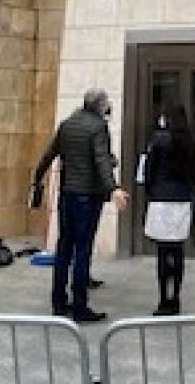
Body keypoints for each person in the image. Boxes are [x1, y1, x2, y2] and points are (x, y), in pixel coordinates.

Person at [33, 88, 128, 323]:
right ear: (100, 105)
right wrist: (113, 188)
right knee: (82, 250)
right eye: (106, 103)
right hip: (88, 196)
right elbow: (100, 161)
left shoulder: (67, 124)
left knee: (64, 248)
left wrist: (37, 177)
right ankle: (79, 305)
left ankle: (58, 301)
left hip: (67, 195)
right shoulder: (98, 127)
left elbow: (49, 154)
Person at [143, 105, 195, 315]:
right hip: (182, 198)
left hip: (161, 198)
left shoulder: (159, 140)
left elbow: (149, 169)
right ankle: (176, 297)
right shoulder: (191, 140)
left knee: (162, 251)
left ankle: (162, 299)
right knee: (178, 251)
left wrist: (151, 191)